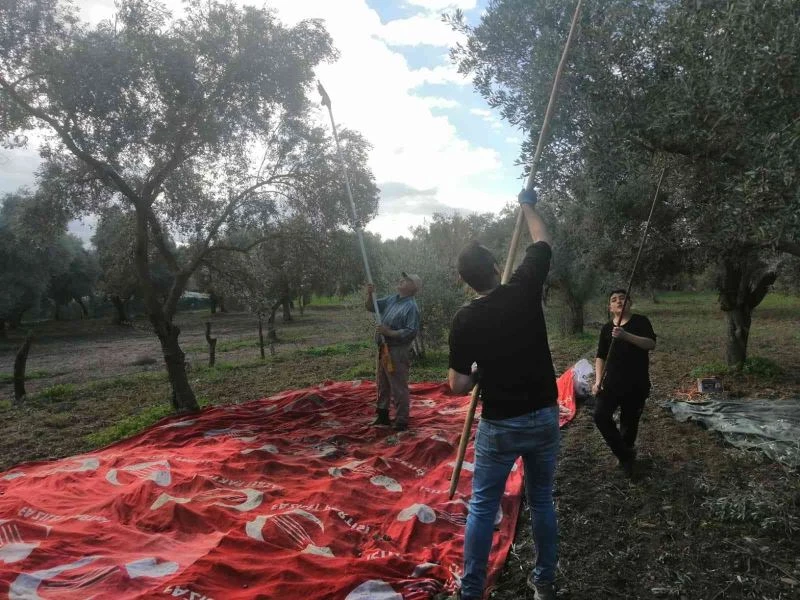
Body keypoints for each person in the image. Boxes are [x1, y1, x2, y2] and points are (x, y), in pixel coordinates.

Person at [447, 190, 559, 600]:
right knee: (542, 501)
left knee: (481, 507)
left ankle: (472, 590)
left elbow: (458, 385)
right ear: (496, 267)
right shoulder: (525, 288)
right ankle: (544, 583)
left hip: (499, 425)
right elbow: (542, 241)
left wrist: (477, 374)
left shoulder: (464, 320)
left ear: (465, 281)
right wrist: (528, 204)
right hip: (544, 416)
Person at [592, 289, 657, 478]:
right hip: (611, 383)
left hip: (636, 383)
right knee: (600, 416)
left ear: (630, 302)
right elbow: (600, 356)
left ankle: (626, 459)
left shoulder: (641, 321)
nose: (619, 301)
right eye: (614, 300)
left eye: (623, 298)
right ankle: (625, 454)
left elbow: (650, 344)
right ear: (610, 307)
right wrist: (597, 381)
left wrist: (625, 336)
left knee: (629, 425)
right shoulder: (606, 329)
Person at [365, 272, 421, 431]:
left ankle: (401, 421)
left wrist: (389, 332)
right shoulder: (391, 299)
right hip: (383, 348)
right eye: (402, 278)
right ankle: (382, 415)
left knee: (398, 385)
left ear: (413, 288)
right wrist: (370, 294)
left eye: (407, 280)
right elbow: (371, 306)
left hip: (397, 351)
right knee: (382, 383)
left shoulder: (411, 307)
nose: (402, 280)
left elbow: (411, 331)